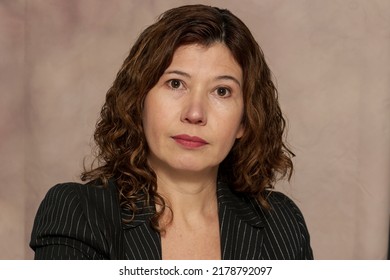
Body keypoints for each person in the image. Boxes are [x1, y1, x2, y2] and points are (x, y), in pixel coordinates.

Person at [30, 4, 313, 260]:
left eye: (222, 91)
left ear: (244, 121)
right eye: (176, 84)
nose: (195, 113)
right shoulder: (79, 213)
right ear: (139, 99)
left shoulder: (281, 223)